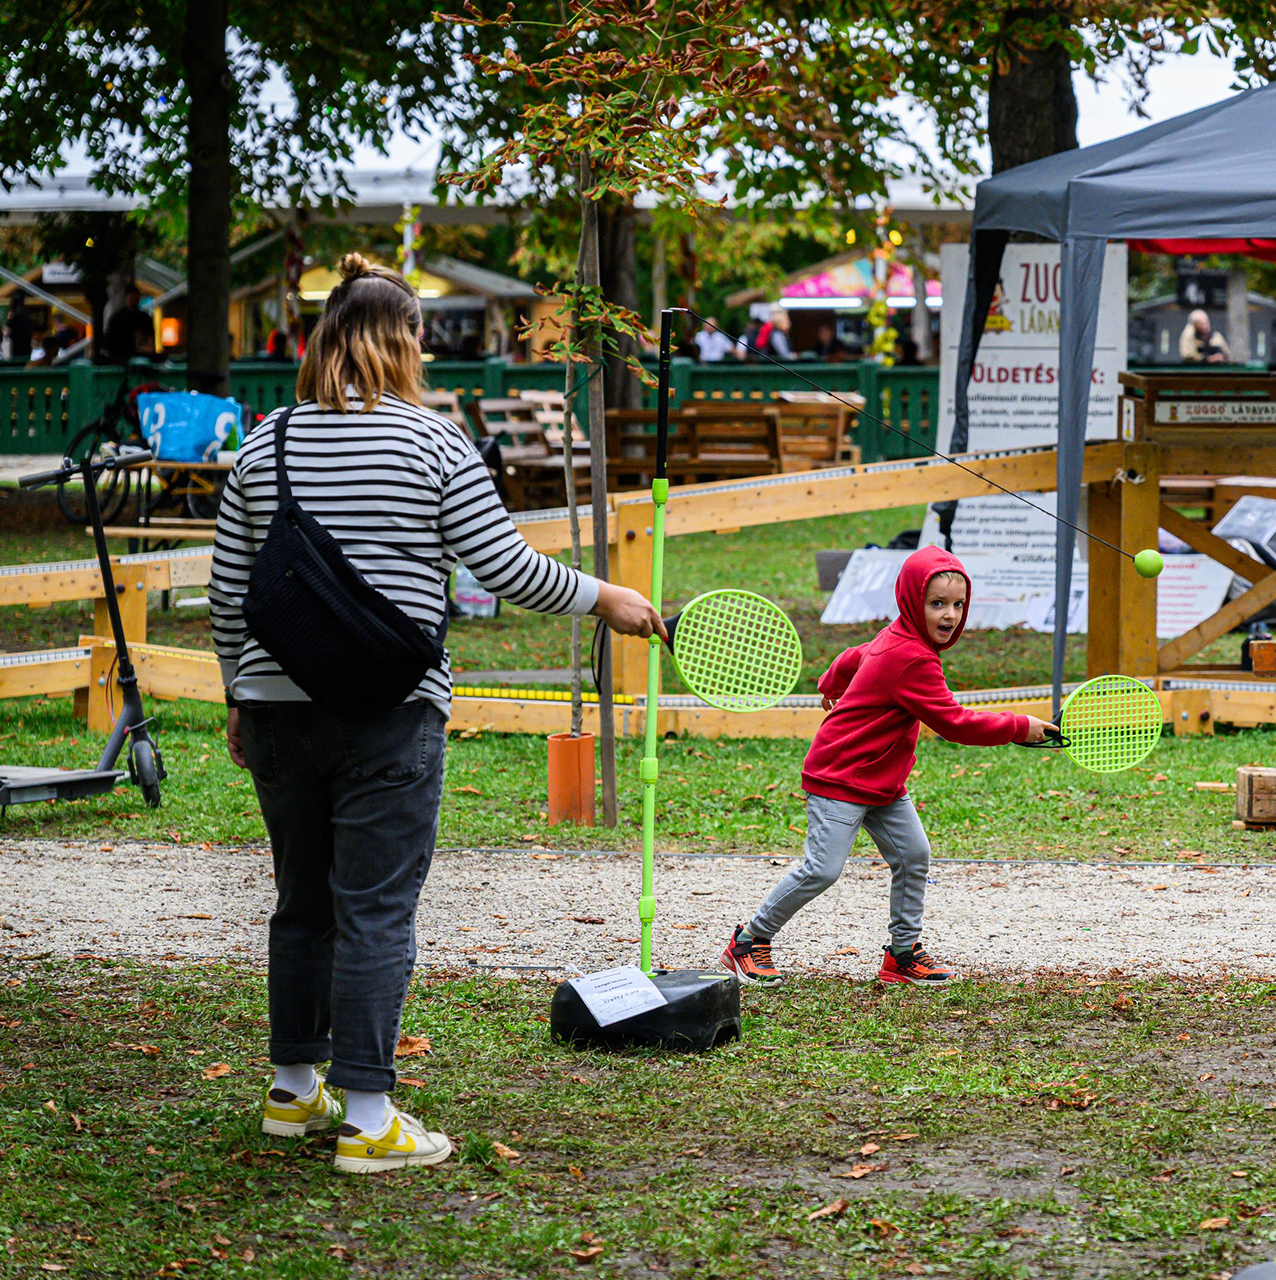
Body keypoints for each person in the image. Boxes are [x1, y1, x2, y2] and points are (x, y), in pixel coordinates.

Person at [208, 253, 667, 1174]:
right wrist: (604, 598)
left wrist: (237, 692)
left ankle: (295, 1094)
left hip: (276, 707)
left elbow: (229, 593)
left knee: (301, 903)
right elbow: (503, 570)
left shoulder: (266, 444)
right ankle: (370, 1115)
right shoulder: (433, 444)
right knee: (375, 908)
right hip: (389, 710)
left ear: (323, 339)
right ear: (404, 341)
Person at [718, 548, 1053, 987]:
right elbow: (954, 722)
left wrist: (831, 682)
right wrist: (1017, 726)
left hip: (882, 781)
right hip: (839, 775)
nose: (950, 615)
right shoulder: (912, 658)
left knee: (914, 855)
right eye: (937, 604)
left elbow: (855, 655)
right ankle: (748, 942)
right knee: (821, 869)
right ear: (913, 601)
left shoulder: (897, 637)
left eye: (958, 604)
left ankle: (901, 954)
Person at [102, 287, 147, 364]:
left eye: (136, 299)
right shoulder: (143, 318)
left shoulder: (117, 318)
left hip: (121, 356)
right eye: (132, 299)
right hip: (124, 355)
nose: (134, 302)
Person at [6, 296, 33, 361]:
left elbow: (10, 330)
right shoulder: (26, 316)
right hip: (26, 346)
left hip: (17, 347)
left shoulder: (15, 317)